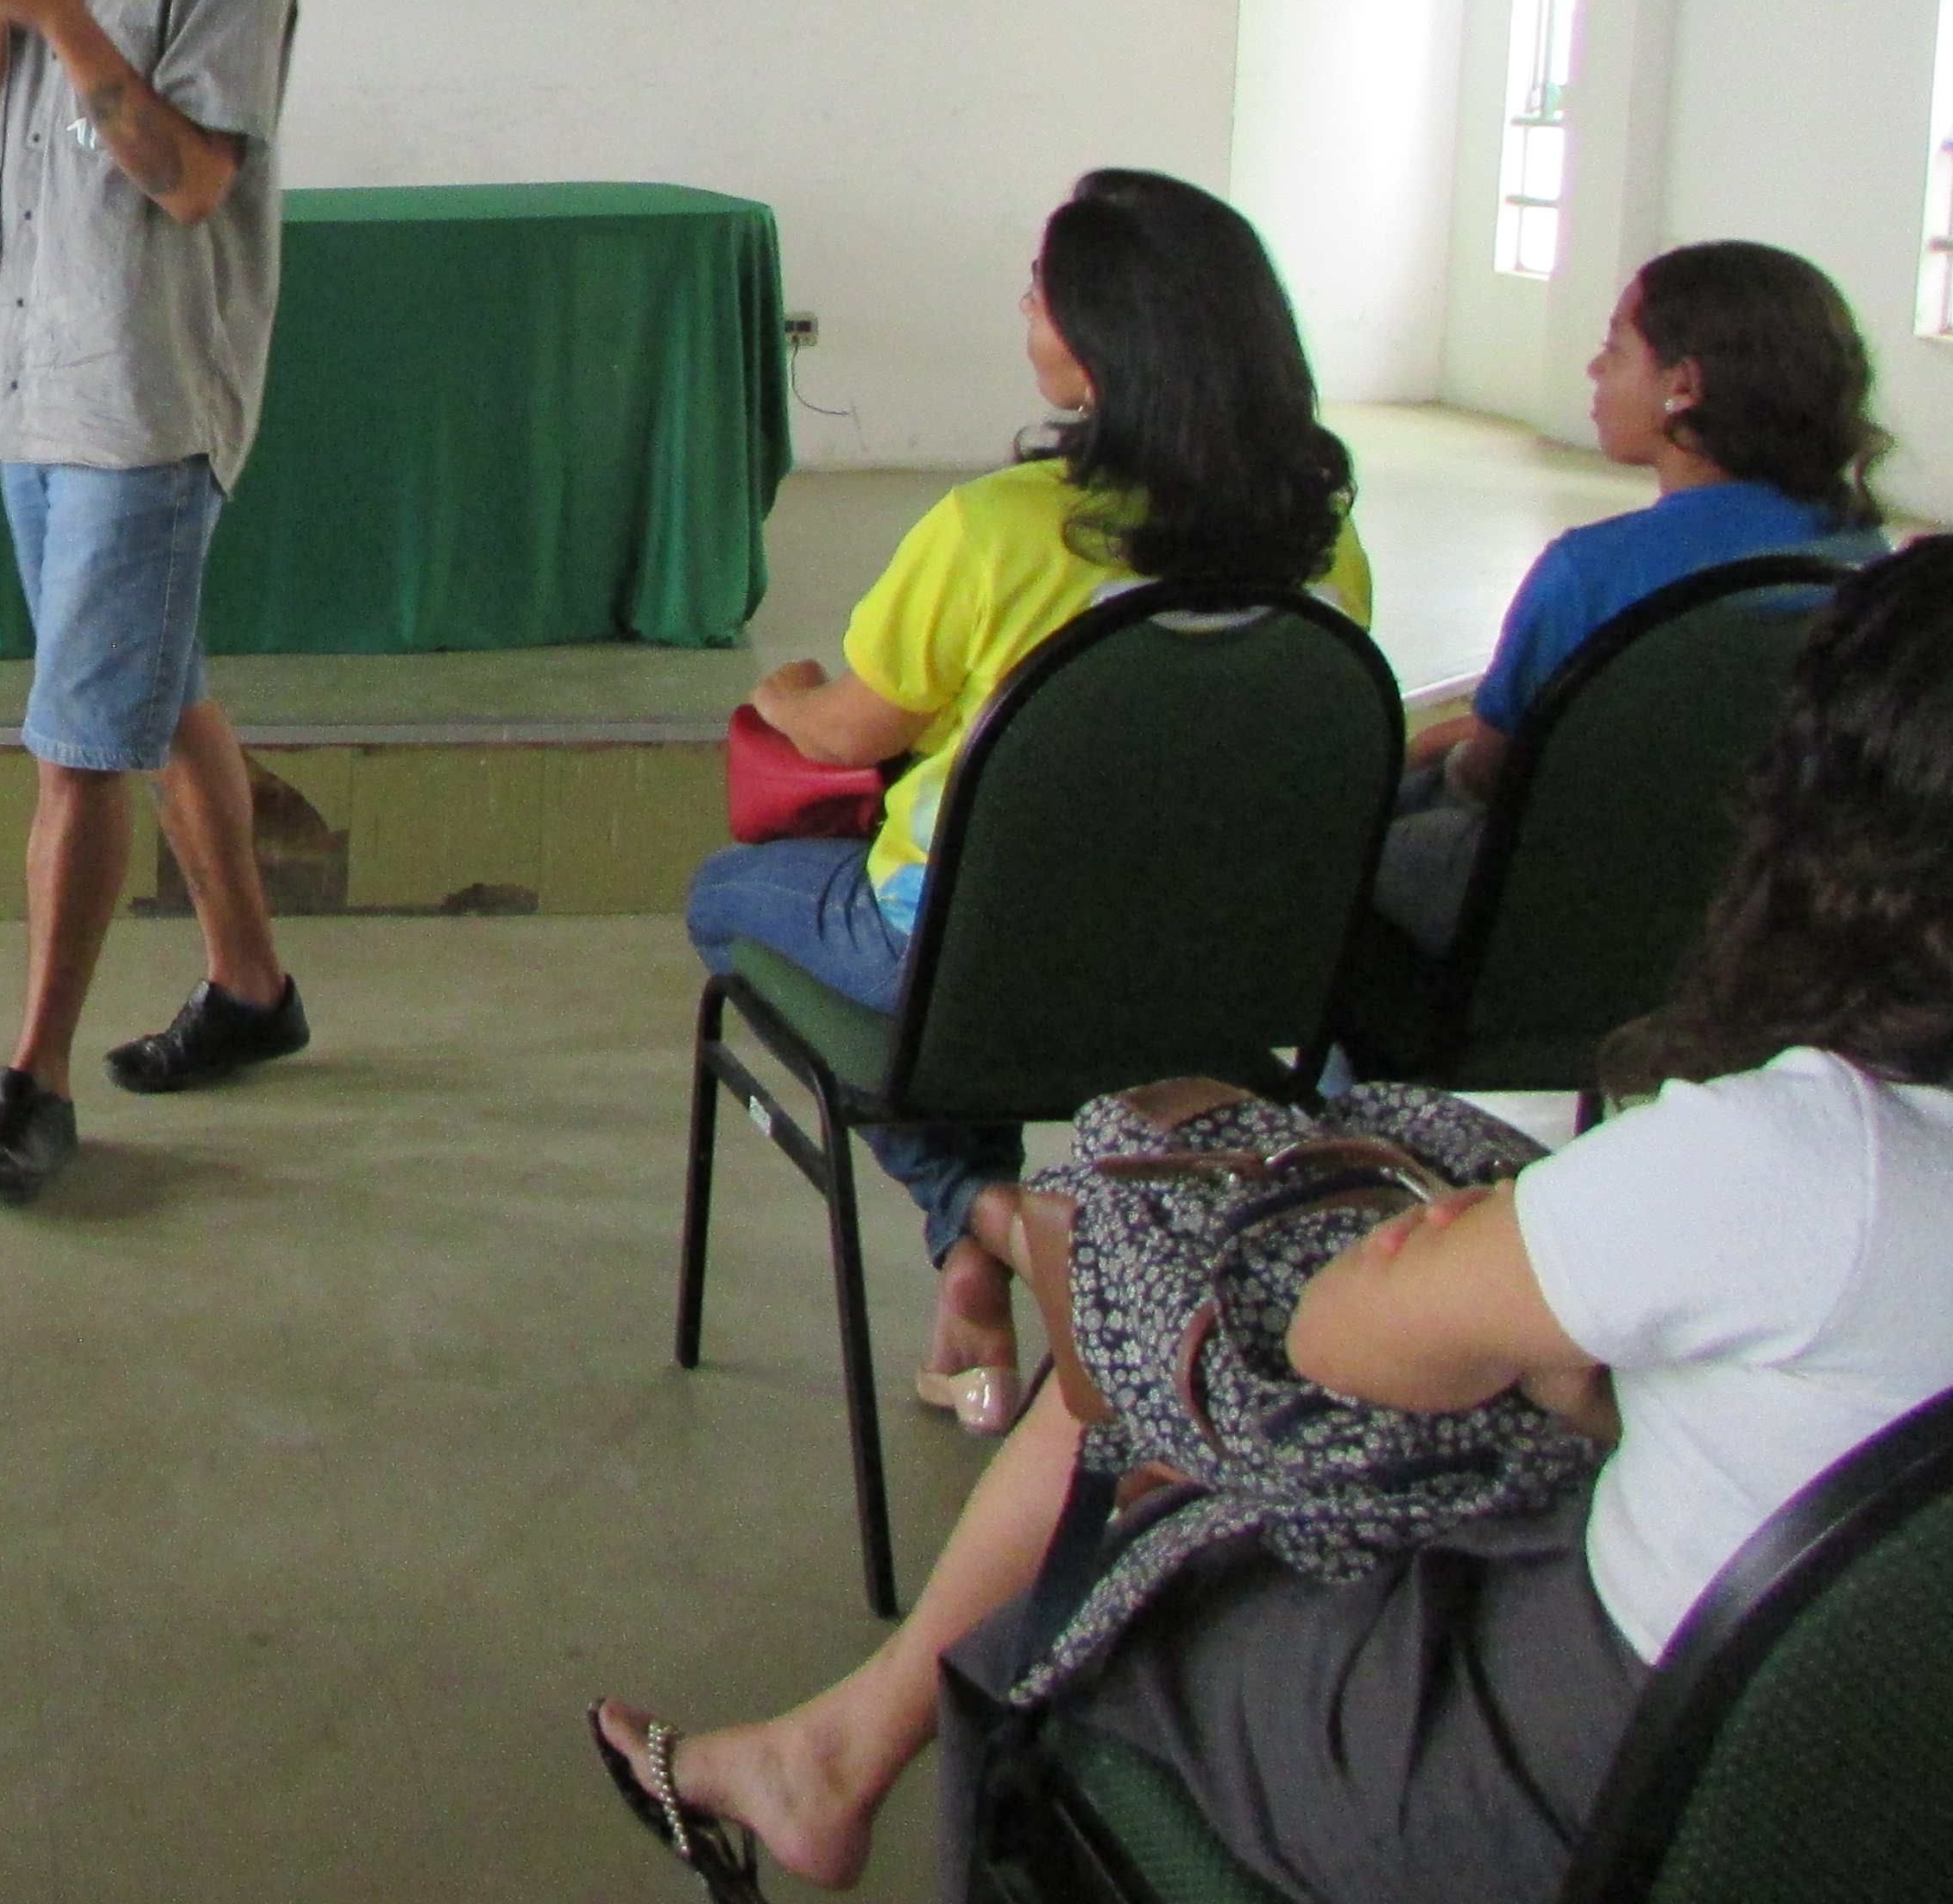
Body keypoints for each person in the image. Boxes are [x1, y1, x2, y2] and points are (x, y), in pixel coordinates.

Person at [595, 531, 1953, 1904]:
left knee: (1109, 1567)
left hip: (1622, 1787)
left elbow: (1343, 1335)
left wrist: (1500, 1293)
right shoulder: (1328, 555)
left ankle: (872, 1713)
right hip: (1875, 1771)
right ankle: (835, 1739)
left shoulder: (1799, 1163)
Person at [692, 170, 1367, 1430]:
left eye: (1041, 294)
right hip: (1228, 959)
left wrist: (786, 699)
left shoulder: (992, 529)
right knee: (1006, 932)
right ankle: (983, 1258)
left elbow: (854, 730)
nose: (1024, 312)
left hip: (973, 949)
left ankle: (986, 1219)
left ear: (1105, 346)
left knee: (728, 894)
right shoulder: (1322, 543)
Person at [0, 0, 305, 1203]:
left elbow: (190, 179)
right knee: (156, 685)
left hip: (140, 400)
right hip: (26, 390)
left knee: (78, 746)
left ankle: (34, 1084)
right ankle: (252, 991)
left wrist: (54, 8)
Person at [1373, 238, 1890, 953]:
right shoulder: (1858, 551)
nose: (1593, 369)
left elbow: (1495, 778)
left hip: (1577, 900)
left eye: (1614, 350)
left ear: (1684, 385)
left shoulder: (1591, 571)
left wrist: (1449, 751)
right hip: (1764, 899)